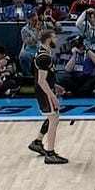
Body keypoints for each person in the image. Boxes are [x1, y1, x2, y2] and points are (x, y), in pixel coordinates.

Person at [27, 30, 69, 164]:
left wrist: (54, 85)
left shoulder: (43, 54)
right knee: (53, 119)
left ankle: (38, 142)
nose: (56, 40)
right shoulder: (45, 58)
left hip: (46, 89)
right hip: (44, 92)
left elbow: (44, 77)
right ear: (48, 40)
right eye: (54, 37)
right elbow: (41, 80)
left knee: (53, 118)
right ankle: (50, 154)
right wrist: (52, 96)